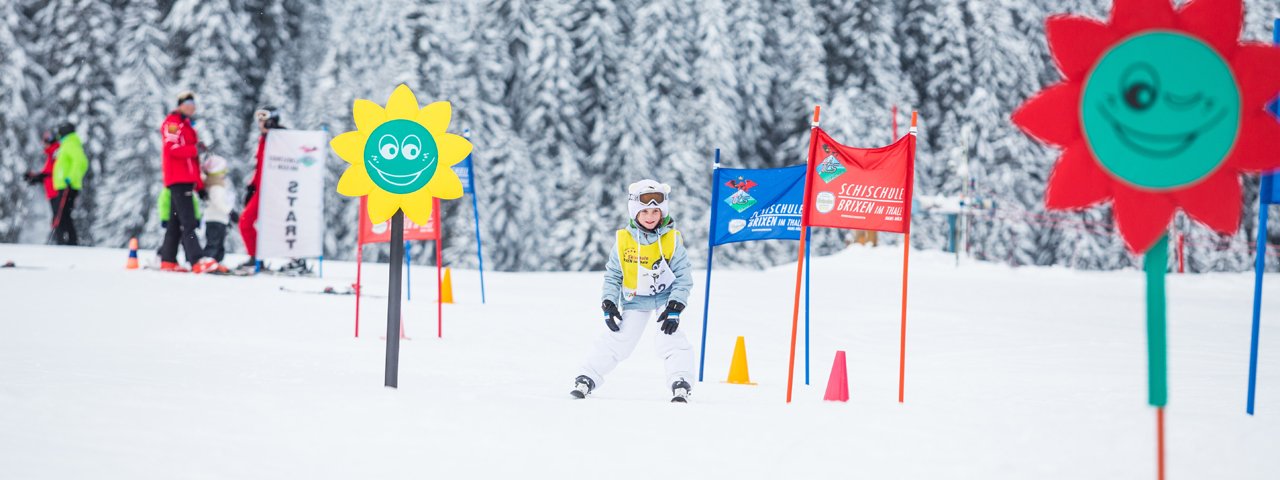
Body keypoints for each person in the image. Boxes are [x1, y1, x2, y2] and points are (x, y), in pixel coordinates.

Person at [571, 179, 695, 402]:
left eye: (656, 211)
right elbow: (613, 275)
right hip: (635, 299)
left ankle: (680, 380)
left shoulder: (672, 240)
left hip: (665, 299)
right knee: (620, 338)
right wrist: (608, 303)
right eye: (645, 211)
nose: (650, 216)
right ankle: (587, 377)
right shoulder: (623, 240)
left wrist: (676, 305)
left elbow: (684, 276)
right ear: (635, 213)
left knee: (670, 338)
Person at [158, 91, 220, 273]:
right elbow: (172, 148)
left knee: (175, 222)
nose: (191, 107)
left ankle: (168, 260)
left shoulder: (186, 125)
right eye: (187, 103)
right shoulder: (173, 123)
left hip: (186, 180)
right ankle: (196, 259)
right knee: (188, 221)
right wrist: (194, 149)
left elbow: (193, 163)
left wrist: (199, 186)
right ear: (180, 105)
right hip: (178, 179)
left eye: (193, 104)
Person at [237, 106, 300, 274]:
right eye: (259, 120)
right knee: (245, 221)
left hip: (277, 190)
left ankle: (297, 259)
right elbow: (261, 167)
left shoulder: (281, 137)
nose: (261, 123)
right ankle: (256, 257)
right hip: (261, 189)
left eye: (264, 119)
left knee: (283, 223)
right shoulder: (263, 139)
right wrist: (252, 187)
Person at [48, 122, 88, 245]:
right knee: (63, 214)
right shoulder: (67, 144)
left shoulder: (71, 144)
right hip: (64, 186)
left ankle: (68, 242)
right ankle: (68, 241)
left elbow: (81, 162)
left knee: (61, 214)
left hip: (68, 186)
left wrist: (70, 178)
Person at [200, 155, 235, 267]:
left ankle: (217, 262)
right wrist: (230, 212)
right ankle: (208, 261)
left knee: (219, 243)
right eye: (223, 170)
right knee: (214, 243)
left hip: (219, 219)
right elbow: (218, 202)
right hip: (215, 219)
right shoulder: (215, 186)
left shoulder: (215, 184)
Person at [23, 130, 60, 229]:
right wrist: (34, 177)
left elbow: (53, 172)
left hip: (57, 190)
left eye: (45, 140)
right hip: (52, 191)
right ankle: (60, 241)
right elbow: (47, 173)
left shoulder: (56, 152)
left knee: (59, 220)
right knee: (57, 220)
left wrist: (37, 177)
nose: (43, 143)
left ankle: (64, 242)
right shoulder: (51, 153)